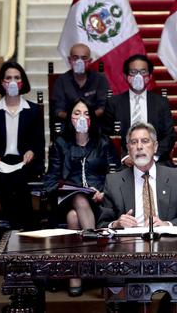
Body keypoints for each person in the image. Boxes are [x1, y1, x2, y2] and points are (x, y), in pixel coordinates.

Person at [44, 98, 119, 296]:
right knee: (78, 197)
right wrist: (68, 189)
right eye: (77, 113)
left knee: (73, 218)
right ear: (70, 118)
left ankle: (75, 275)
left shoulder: (103, 142)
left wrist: (104, 192)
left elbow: (115, 175)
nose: (82, 118)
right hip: (66, 199)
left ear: (92, 119)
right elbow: (50, 180)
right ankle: (98, 261)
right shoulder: (60, 143)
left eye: (86, 113)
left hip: (99, 201)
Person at [98, 122, 177, 229]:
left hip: (166, 242)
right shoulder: (114, 182)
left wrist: (166, 225)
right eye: (134, 142)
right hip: (128, 242)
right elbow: (102, 224)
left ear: (155, 147)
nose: (139, 147)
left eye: (145, 141)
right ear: (128, 149)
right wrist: (116, 224)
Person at [0, 62, 45, 230]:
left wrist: (32, 151)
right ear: (2, 82)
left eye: (16, 78)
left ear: (22, 81)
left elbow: (39, 142)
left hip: (24, 161)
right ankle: (25, 226)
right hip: (0, 161)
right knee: (4, 177)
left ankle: (16, 226)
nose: (12, 82)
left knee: (18, 177)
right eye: (8, 78)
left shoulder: (32, 109)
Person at [103, 54, 176, 166]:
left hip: (156, 160)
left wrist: (153, 156)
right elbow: (106, 136)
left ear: (150, 76)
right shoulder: (114, 103)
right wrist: (124, 157)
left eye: (143, 72)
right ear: (125, 76)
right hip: (124, 162)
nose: (138, 76)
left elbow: (169, 135)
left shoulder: (161, 102)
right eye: (133, 72)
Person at [51, 43, 110, 121]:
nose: (79, 61)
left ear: (90, 61)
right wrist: (75, 119)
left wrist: (86, 119)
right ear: (69, 60)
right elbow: (58, 110)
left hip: (94, 125)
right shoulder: (61, 81)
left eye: (84, 58)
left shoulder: (99, 79)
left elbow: (103, 108)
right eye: (75, 58)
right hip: (69, 125)